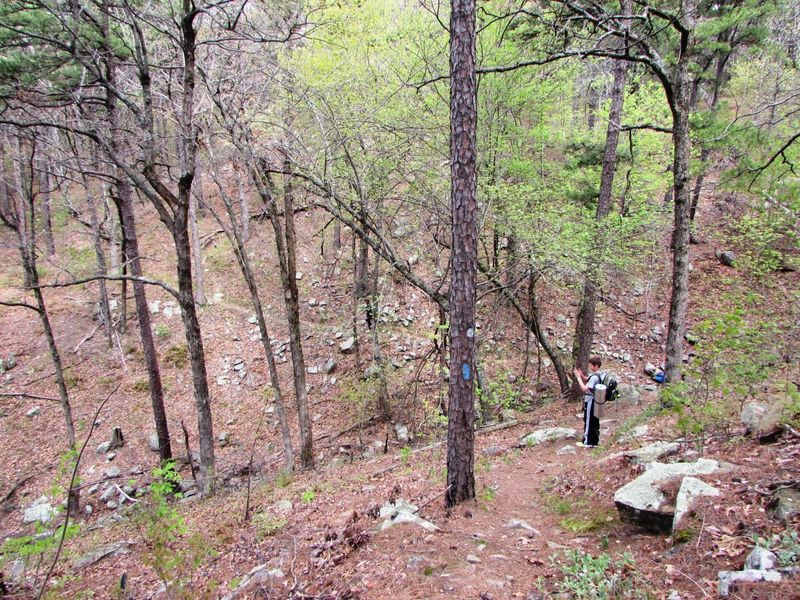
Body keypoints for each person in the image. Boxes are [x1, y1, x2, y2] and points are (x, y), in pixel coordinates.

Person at [573, 356, 603, 447]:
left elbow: (585, 389)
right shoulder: (598, 374)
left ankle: (587, 442)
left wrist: (578, 378)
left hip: (591, 401)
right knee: (594, 421)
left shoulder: (594, 377)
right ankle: (594, 441)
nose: (590, 367)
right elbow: (587, 379)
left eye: (591, 365)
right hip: (596, 401)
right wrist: (581, 375)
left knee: (589, 421)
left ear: (596, 366)